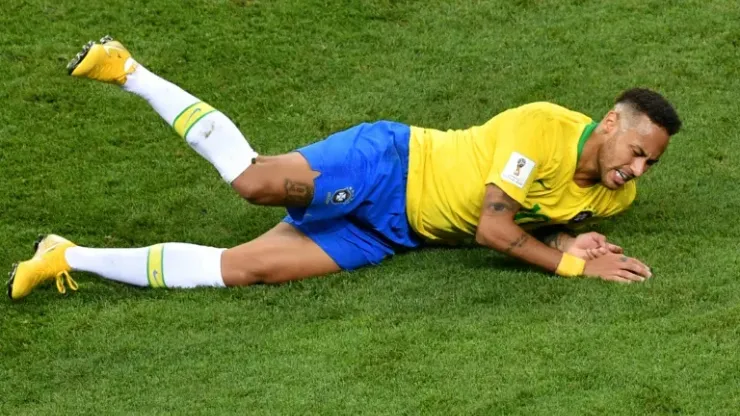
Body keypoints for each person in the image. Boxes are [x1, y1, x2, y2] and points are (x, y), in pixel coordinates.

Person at [7, 36, 682, 300]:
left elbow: (533, 214)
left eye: (650, 163)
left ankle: (65, 255)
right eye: (636, 152)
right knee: (253, 182)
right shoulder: (541, 128)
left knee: (242, 270)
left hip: (390, 231)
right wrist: (572, 266)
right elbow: (493, 227)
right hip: (390, 165)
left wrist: (568, 236)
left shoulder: (614, 197)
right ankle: (128, 69)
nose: (638, 170)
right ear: (610, 123)